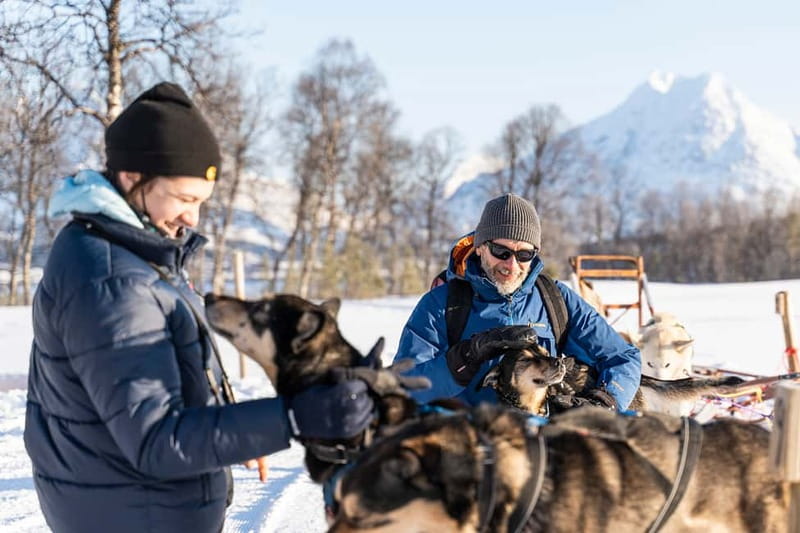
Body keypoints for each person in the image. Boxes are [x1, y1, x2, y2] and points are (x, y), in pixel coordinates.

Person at [23, 82, 380, 533]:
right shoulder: (112, 281)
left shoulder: (135, 252)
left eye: (201, 202)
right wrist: (290, 417)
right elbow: (156, 438)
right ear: (134, 178)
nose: (193, 218)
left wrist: (233, 427)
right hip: (133, 513)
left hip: (134, 504)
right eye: (185, 199)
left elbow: (171, 370)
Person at [394, 193, 641, 410]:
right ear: (480, 247)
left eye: (524, 254)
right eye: (501, 252)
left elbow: (623, 357)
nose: (511, 265)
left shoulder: (555, 300)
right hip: (469, 441)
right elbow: (404, 386)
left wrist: (605, 402)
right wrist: (465, 357)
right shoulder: (441, 305)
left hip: (541, 440)